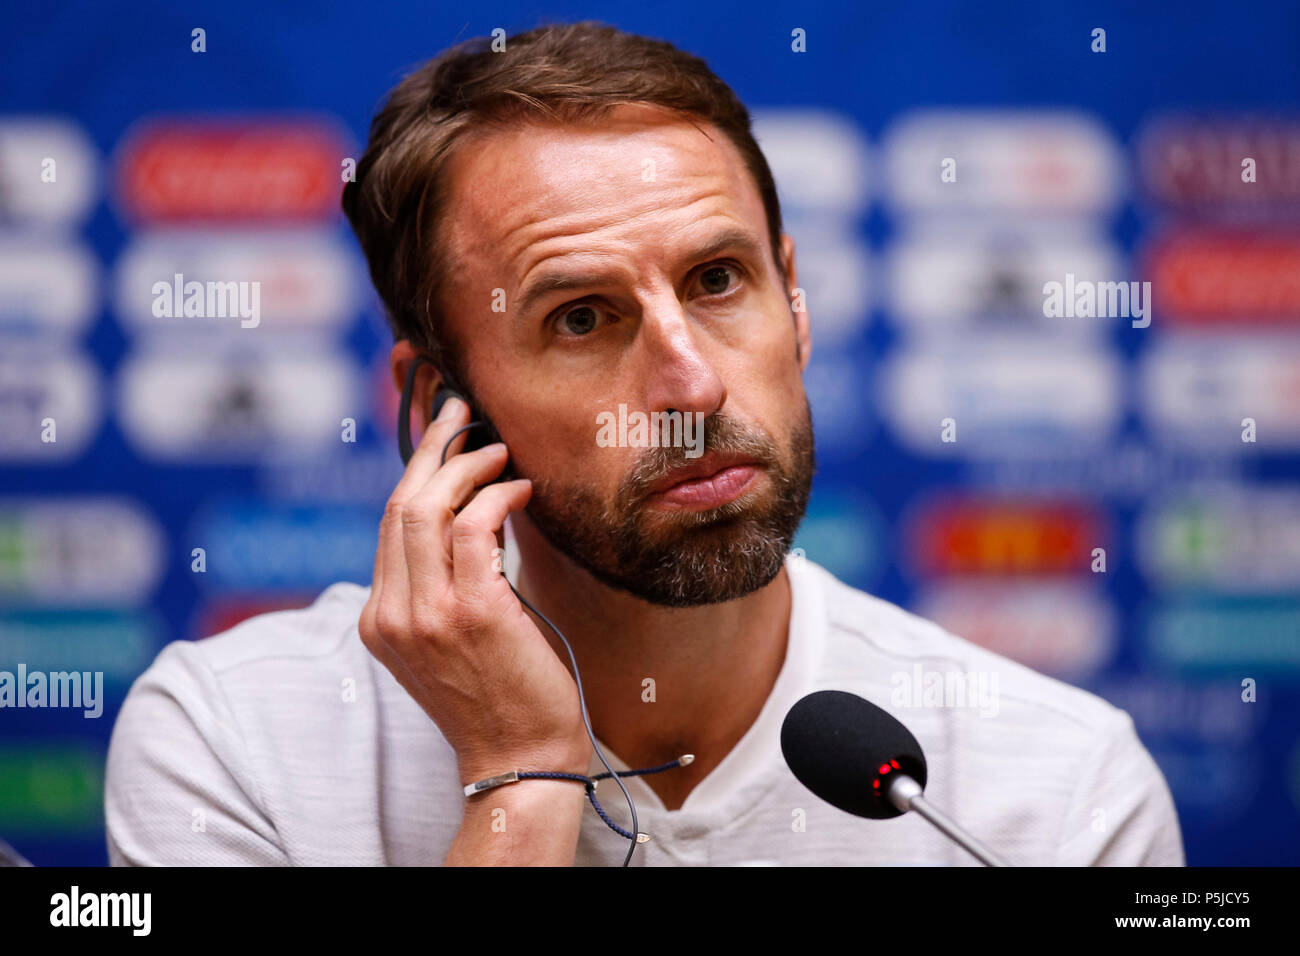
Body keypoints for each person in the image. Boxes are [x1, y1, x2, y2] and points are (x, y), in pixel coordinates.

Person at [105, 21, 1183, 866]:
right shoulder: (232, 743)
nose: (694, 383)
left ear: (795, 305)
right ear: (443, 402)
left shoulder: (1057, 789)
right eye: (581, 316)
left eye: (719, 281)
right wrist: (519, 782)